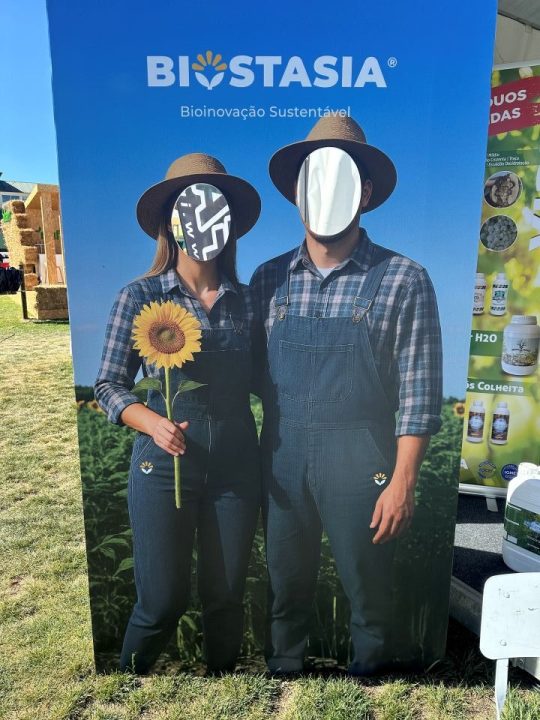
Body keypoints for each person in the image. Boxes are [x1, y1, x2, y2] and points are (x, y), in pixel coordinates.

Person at [250, 116, 443, 676]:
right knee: (285, 581)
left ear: (366, 193)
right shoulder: (267, 280)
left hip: (363, 459)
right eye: (315, 180)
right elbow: (245, 377)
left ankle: (370, 682)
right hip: (282, 457)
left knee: (368, 587)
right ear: (297, 193)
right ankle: (284, 676)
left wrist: (403, 483)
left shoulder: (404, 279)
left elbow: (421, 395)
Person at [94, 153, 262, 674]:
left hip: (236, 467)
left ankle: (225, 691)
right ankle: (126, 689)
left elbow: (268, 381)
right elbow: (108, 385)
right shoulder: (139, 296)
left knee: (225, 597)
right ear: (172, 222)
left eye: (215, 209)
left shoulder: (248, 301)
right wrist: (151, 422)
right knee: (162, 601)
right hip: (163, 467)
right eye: (191, 208)